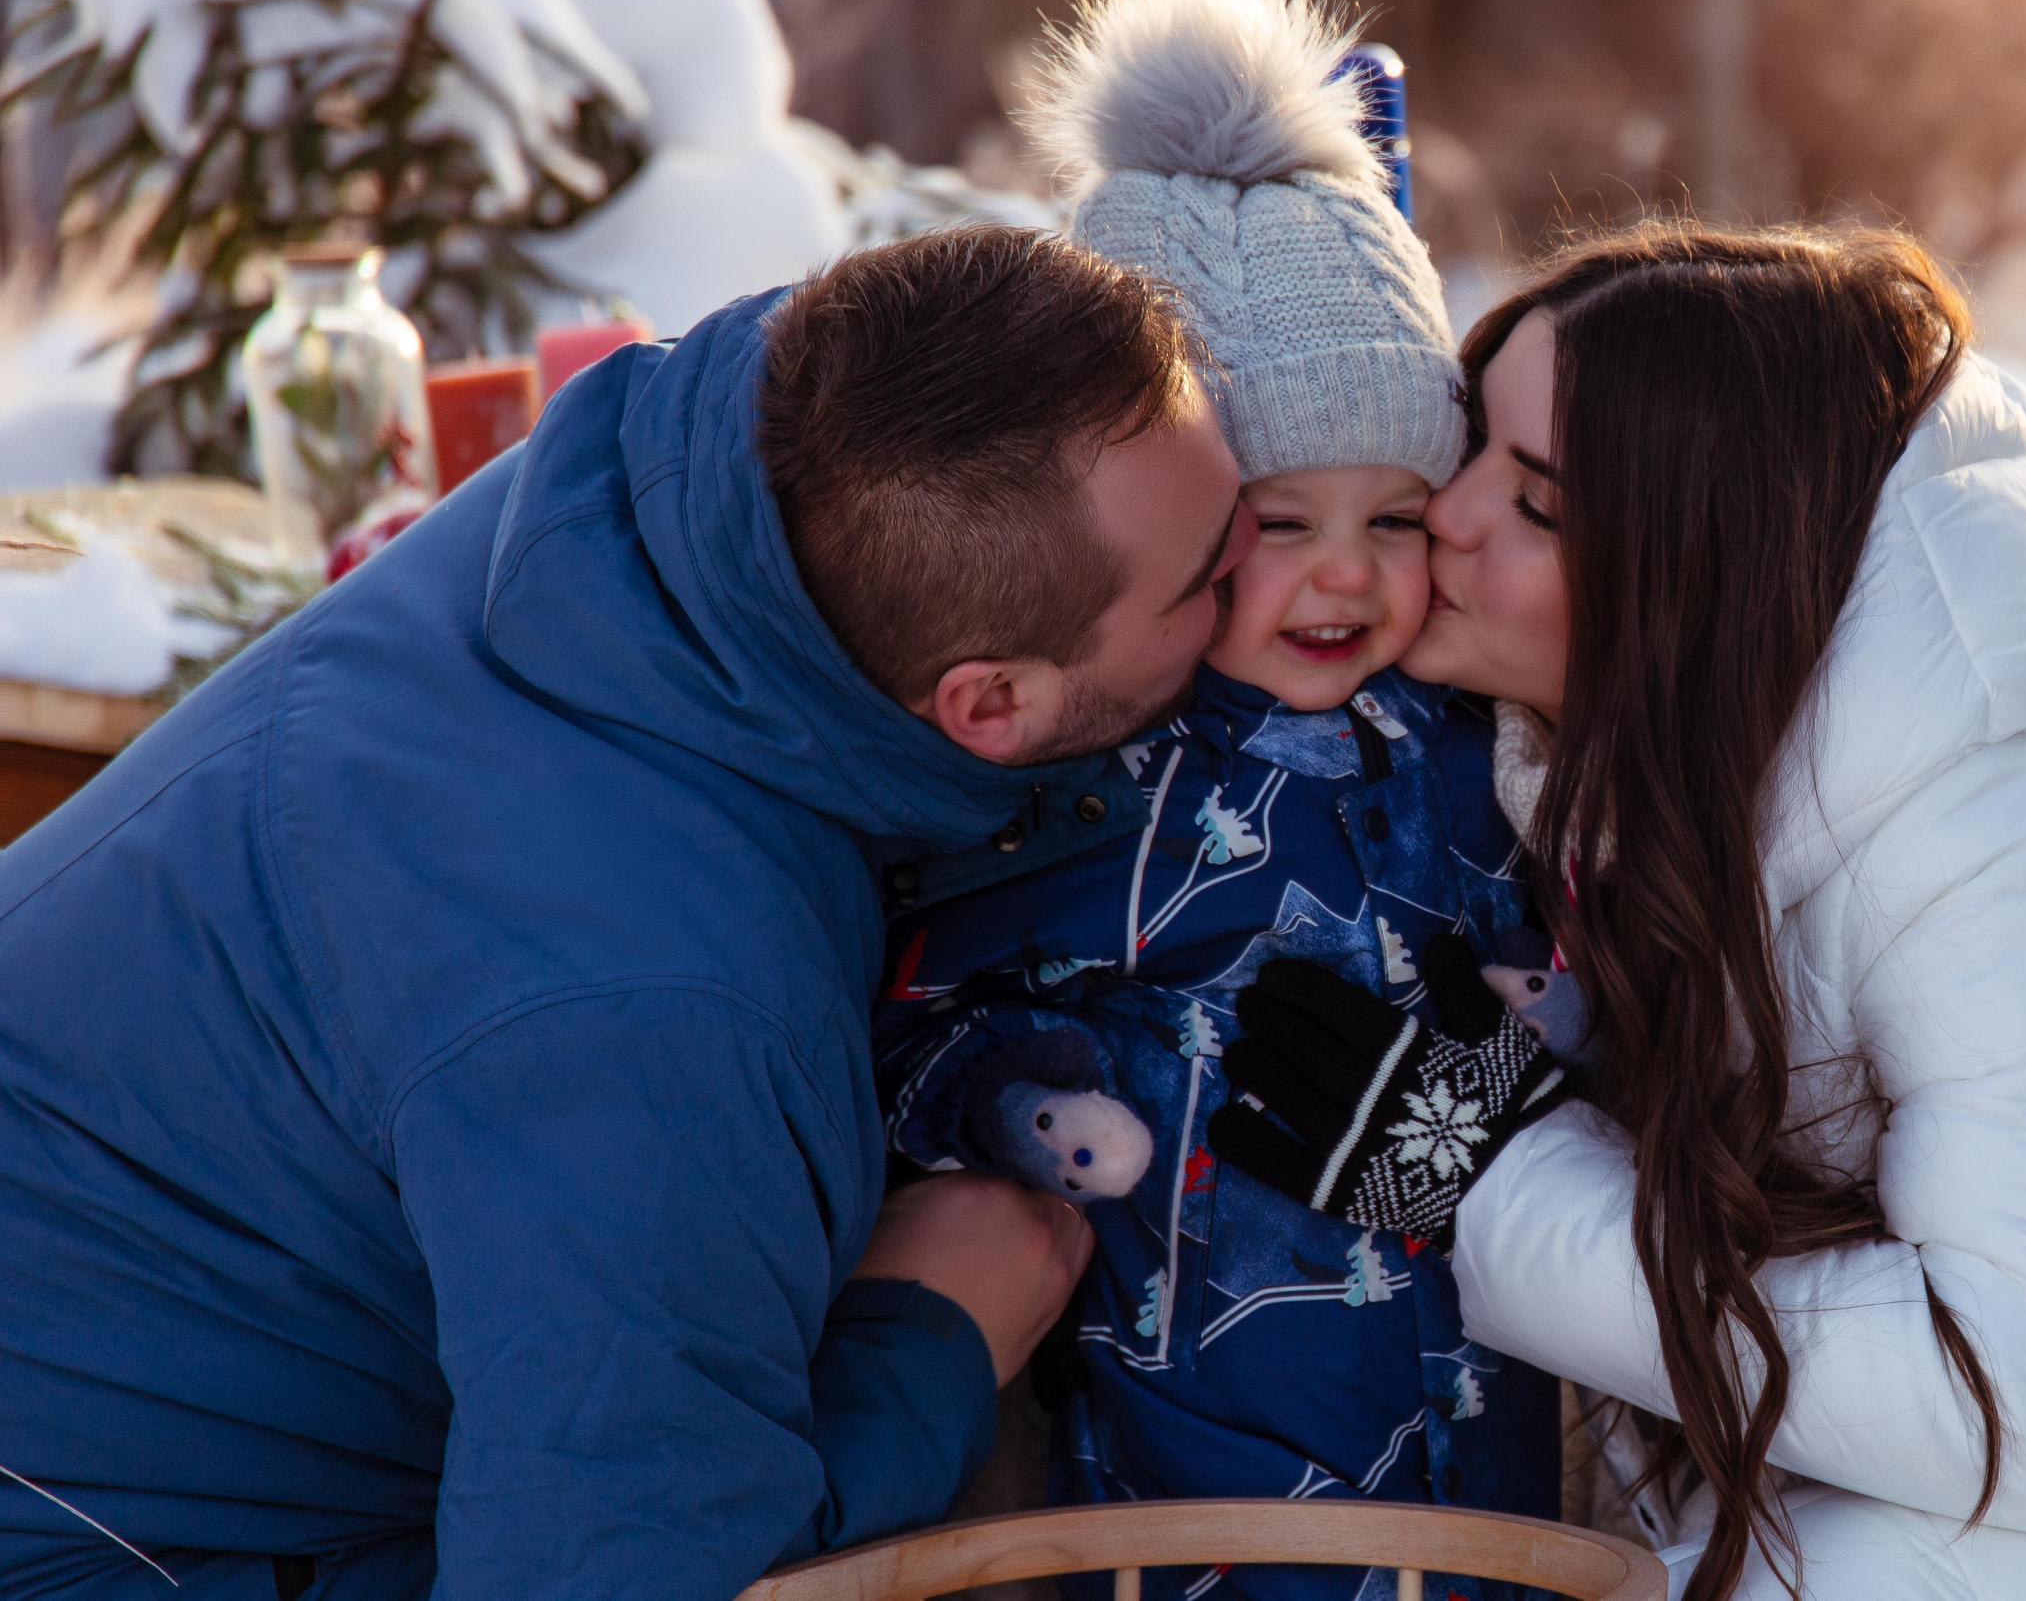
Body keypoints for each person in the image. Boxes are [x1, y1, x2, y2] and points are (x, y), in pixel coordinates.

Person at [1209, 221, 2026, 1599]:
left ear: (1697, 570)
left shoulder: (1997, 810)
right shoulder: (1611, 749)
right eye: (1469, 445)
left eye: (1541, 505)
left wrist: (1495, 1181)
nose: (1447, 510)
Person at [0, 225, 1257, 1600]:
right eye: (1207, 578)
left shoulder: (665, 509)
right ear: (989, 705)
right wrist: (929, 1336)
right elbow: (612, 1574)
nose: (1262, 555)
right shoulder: (653, 1018)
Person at [869, 0, 1564, 1601]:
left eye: (1393, 518)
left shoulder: (1463, 737)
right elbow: (910, 1013)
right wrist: (1025, 1098)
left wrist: (1563, 1018)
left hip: (1500, 1442)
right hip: (1211, 1478)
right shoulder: (1093, 781)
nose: (1347, 580)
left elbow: (1581, 934)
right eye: (1277, 526)